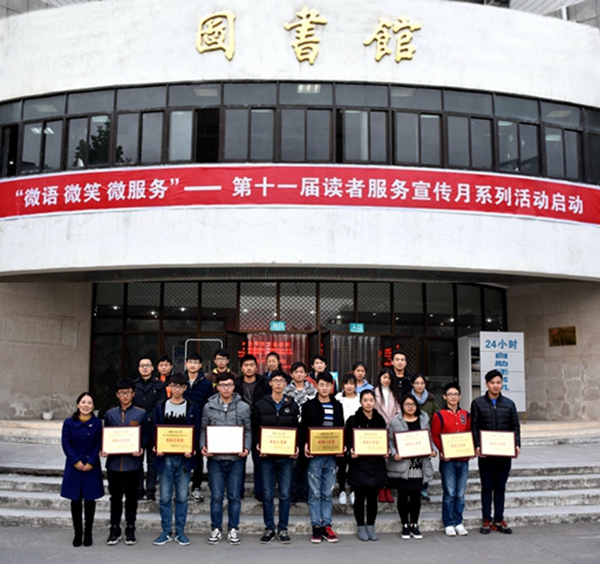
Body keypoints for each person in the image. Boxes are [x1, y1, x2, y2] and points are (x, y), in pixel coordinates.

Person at [201, 373, 251, 546]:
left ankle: (233, 528)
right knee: (216, 496)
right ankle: (216, 528)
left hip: (236, 459)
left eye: (229, 385)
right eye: (223, 385)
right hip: (215, 458)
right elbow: (203, 429)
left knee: (234, 496)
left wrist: (246, 447)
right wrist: (203, 446)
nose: (226, 388)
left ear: (234, 386)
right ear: (217, 387)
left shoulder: (243, 407)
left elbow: (248, 430)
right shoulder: (209, 406)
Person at [151, 372, 200, 547]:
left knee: (182, 497)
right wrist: (156, 446)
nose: (177, 389)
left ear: (185, 388)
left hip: (184, 459)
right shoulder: (161, 406)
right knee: (164, 497)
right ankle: (166, 531)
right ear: (169, 387)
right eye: (174, 386)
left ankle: (180, 531)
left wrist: (191, 448)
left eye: (180, 386)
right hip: (165, 458)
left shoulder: (192, 406)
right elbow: (155, 429)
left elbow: (196, 430)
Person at [252, 370, 300, 544]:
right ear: (270, 383)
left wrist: (295, 446)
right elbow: (255, 428)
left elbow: (297, 429)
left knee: (285, 494)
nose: (278, 383)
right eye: (275, 380)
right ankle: (269, 528)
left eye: (281, 381)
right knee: (267, 494)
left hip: (286, 457)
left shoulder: (292, 405)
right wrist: (258, 445)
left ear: (286, 384)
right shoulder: (260, 404)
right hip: (267, 456)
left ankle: (283, 528)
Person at [471, 369, 521, 535]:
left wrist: (517, 444)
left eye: (498, 382)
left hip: (504, 453)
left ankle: (499, 519)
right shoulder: (478, 403)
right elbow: (474, 426)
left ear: (502, 384)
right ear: (486, 384)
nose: (495, 385)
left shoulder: (509, 404)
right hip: (486, 454)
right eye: (492, 383)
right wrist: (477, 445)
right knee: (487, 486)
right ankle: (486, 519)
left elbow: (515, 427)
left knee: (500, 486)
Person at [102, 378, 149, 546]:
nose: (125, 396)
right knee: (115, 498)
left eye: (128, 392)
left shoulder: (141, 413)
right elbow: (106, 434)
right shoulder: (110, 414)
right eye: (122, 393)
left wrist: (140, 446)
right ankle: (114, 528)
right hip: (114, 464)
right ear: (117, 394)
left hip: (133, 464)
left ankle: (130, 528)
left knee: (131, 498)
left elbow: (146, 435)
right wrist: (104, 448)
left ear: (133, 394)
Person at [301, 371, 344, 544]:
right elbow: (303, 428)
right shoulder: (309, 405)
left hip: (332, 455)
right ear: (316, 386)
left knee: (327, 492)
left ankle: (327, 525)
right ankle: (316, 526)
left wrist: (342, 446)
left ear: (332, 387)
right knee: (314, 492)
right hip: (315, 455)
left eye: (328, 385)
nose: (325, 388)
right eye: (322, 384)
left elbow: (341, 427)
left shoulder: (337, 405)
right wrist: (305, 444)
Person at [387, 394, 436, 540]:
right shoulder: (395, 422)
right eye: (407, 404)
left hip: (419, 465)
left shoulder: (423, 419)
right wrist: (394, 453)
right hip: (402, 465)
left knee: (415, 496)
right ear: (402, 406)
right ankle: (405, 525)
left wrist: (433, 450)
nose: (410, 407)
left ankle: (414, 524)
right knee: (402, 496)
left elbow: (429, 438)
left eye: (413, 404)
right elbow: (390, 441)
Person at [60, 392, 104, 547]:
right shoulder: (68, 423)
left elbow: (99, 443)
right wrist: (76, 461)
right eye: (83, 402)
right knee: (76, 500)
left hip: (91, 467)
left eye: (89, 403)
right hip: (74, 467)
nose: (86, 405)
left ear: (93, 406)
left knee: (90, 500)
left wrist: (91, 461)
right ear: (78, 404)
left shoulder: (98, 423)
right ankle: (77, 532)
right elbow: (66, 444)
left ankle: (88, 532)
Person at [345, 389, 388, 542]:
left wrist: (386, 450)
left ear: (374, 402)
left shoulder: (380, 419)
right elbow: (347, 441)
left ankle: (371, 526)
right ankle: (361, 526)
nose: (368, 403)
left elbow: (383, 439)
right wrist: (351, 452)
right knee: (359, 498)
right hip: (359, 465)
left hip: (375, 465)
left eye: (371, 400)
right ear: (360, 402)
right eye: (365, 400)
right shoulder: (353, 420)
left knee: (372, 499)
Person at [431, 382, 472, 537]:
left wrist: (471, 449)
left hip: (463, 459)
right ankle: (448, 522)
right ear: (444, 396)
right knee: (449, 493)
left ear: (459, 396)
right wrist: (442, 450)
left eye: (455, 394)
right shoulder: (439, 415)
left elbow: (469, 434)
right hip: (447, 460)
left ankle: (458, 522)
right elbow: (435, 435)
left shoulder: (465, 415)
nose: (453, 397)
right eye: (450, 394)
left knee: (460, 493)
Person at [234, 353, 270, 501]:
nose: (249, 368)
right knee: (238, 460)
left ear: (256, 367)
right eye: (246, 365)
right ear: (241, 368)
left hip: (258, 426)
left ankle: (259, 491)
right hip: (239, 427)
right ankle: (238, 491)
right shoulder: (235, 384)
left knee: (259, 460)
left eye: (251, 365)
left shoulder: (264, 383)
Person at [133, 355, 166, 501]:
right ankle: (139, 489)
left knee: (152, 461)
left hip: (153, 426)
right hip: (137, 427)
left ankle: (151, 490)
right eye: (142, 365)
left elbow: (161, 404)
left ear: (152, 368)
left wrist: (149, 417)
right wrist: (140, 417)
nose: (145, 368)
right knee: (137, 458)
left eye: (147, 365)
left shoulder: (159, 385)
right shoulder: (133, 385)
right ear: (138, 368)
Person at [183, 352, 214, 503]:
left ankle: (196, 488)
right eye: (190, 362)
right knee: (181, 456)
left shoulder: (206, 384)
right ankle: (182, 488)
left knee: (198, 458)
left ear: (200, 365)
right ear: (186, 364)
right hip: (181, 426)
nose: (193, 365)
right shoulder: (179, 381)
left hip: (199, 424)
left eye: (196, 362)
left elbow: (210, 404)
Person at [284, 361, 317, 504]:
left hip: (307, 428)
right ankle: (293, 491)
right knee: (292, 462)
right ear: (291, 374)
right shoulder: (285, 391)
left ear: (306, 374)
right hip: (291, 429)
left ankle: (304, 491)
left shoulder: (313, 391)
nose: (299, 374)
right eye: (296, 372)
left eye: (301, 372)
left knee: (305, 461)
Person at [373, 369, 401, 503]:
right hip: (378, 430)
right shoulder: (374, 393)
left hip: (392, 428)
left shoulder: (395, 393)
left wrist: (394, 423)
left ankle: (388, 488)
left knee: (390, 461)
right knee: (380, 461)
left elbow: (398, 410)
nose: (386, 380)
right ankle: (381, 488)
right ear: (379, 378)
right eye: (384, 377)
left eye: (389, 378)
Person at [410, 374, 438, 501]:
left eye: (422, 383)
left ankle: (424, 489)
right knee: (412, 464)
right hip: (411, 435)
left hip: (426, 435)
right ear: (412, 384)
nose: (419, 386)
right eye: (417, 383)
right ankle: (413, 489)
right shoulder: (408, 398)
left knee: (426, 463)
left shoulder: (431, 399)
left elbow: (436, 415)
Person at [335, 373, 361, 505]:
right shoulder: (338, 398)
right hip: (341, 434)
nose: (349, 386)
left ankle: (353, 490)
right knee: (341, 464)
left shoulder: (360, 399)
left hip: (356, 435)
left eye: (352, 383)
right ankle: (342, 491)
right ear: (342, 385)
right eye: (346, 383)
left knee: (354, 464)